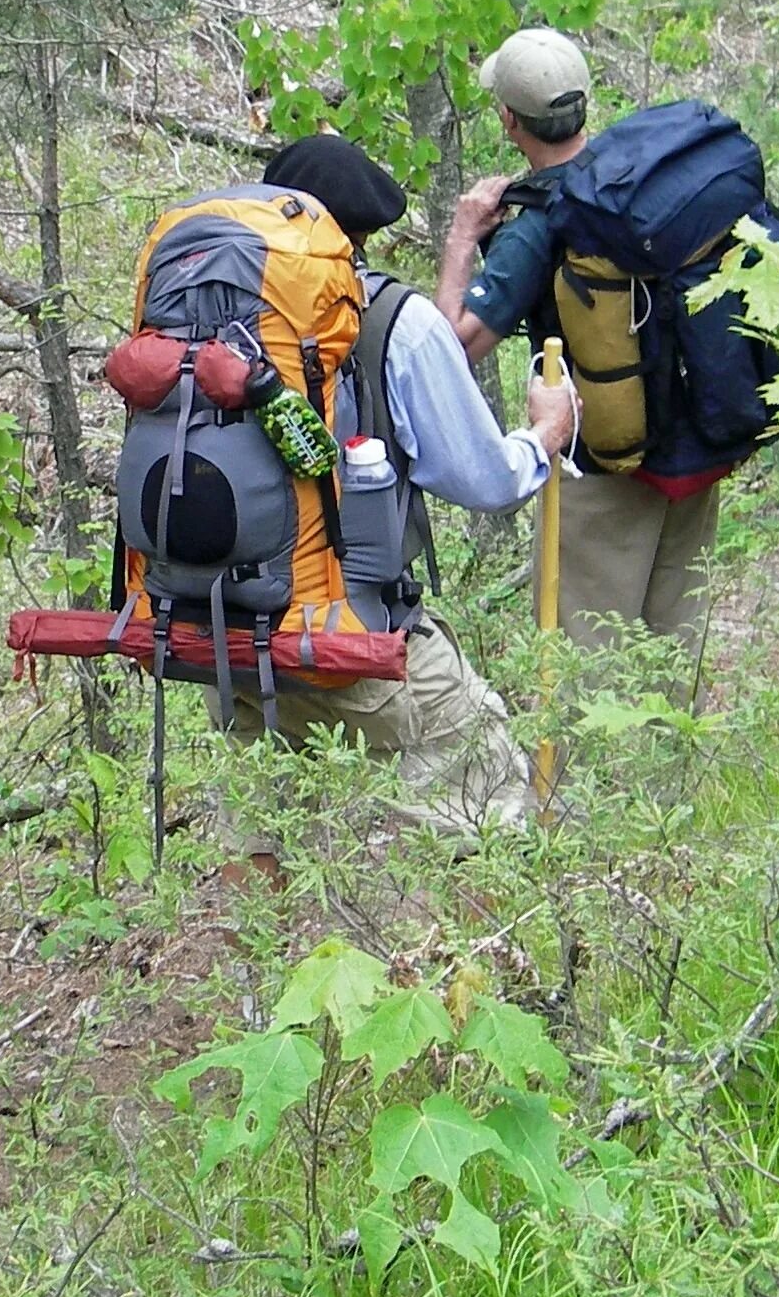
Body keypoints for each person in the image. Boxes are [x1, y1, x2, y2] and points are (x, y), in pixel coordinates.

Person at [210, 135, 576, 839]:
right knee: (488, 800)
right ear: (367, 231)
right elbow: (486, 480)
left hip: (224, 636)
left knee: (262, 834)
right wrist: (542, 437)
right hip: (352, 635)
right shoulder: (391, 320)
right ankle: (480, 953)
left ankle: (251, 952)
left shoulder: (212, 313)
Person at [436, 28, 727, 664]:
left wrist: (463, 238)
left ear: (510, 119)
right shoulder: (644, 178)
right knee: (673, 659)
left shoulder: (541, 221)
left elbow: (447, 351)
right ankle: (673, 769)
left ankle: (583, 772)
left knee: (585, 669)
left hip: (602, 472)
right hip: (693, 447)